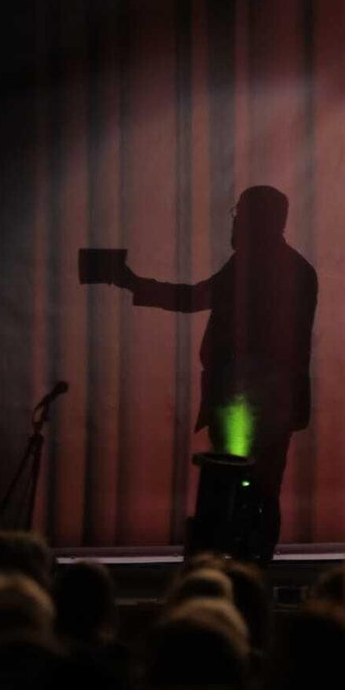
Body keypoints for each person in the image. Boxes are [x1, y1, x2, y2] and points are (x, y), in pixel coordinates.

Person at [107, 185, 318, 562]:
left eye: (240, 213)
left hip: (243, 400)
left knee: (231, 489)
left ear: (255, 219)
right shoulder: (295, 267)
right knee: (263, 491)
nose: (235, 221)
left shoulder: (253, 266)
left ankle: (230, 574)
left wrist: (132, 283)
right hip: (274, 403)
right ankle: (253, 577)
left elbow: (194, 299)